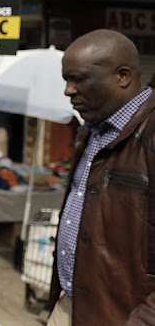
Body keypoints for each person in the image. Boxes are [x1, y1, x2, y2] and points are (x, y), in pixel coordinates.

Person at [48, 29, 155, 325]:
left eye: (79, 79)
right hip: (72, 305)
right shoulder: (91, 131)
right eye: (66, 80)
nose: (68, 91)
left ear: (123, 77)